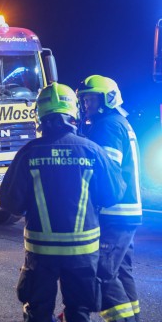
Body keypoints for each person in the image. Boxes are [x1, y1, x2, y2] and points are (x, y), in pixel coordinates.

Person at [0, 82, 125, 322]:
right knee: (78, 312)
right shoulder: (92, 150)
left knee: (38, 312)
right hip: (83, 252)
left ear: (39, 115)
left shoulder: (28, 152)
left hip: (40, 253)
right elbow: (113, 195)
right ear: (73, 113)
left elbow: (9, 202)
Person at [77, 75, 143, 322]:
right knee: (122, 271)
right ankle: (133, 318)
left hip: (115, 214)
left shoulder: (107, 126)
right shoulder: (119, 122)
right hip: (126, 214)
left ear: (108, 99)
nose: (86, 105)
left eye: (91, 99)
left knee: (102, 271)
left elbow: (106, 172)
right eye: (84, 100)